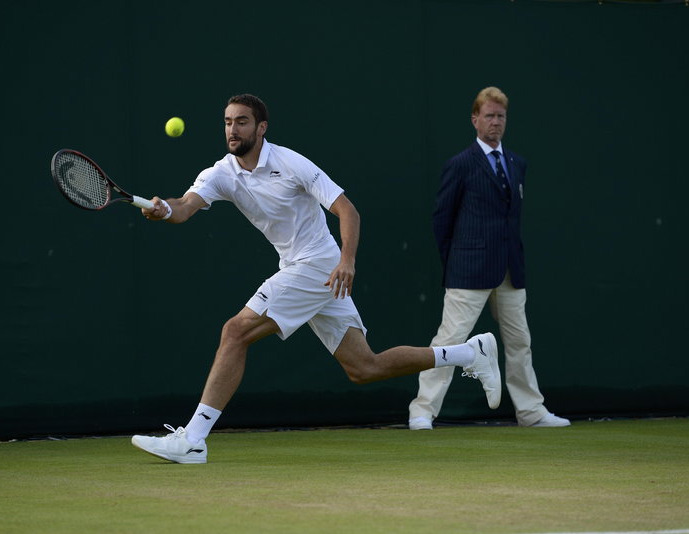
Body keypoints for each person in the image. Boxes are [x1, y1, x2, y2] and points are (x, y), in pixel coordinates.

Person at [131, 93, 502, 464]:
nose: (232, 129)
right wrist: (164, 210)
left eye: (242, 121)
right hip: (302, 269)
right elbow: (183, 207)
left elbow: (347, 210)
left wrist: (347, 261)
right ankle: (470, 352)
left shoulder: (290, 163)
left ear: (261, 128)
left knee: (235, 332)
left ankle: (193, 439)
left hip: (319, 265)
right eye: (228, 122)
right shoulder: (220, 173)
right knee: (364, 367)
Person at [407, 86, 570, 431]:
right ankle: (422, 411)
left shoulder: (516, 164)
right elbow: (442, 221)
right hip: (468, 271)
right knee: (448, 342)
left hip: (511, 270)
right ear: (475, 120)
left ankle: (531, 411)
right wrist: (455, 263)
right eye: (490, 116)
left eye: (501, 116)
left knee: (519, 341)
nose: (496, 122)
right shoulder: (460, 165)